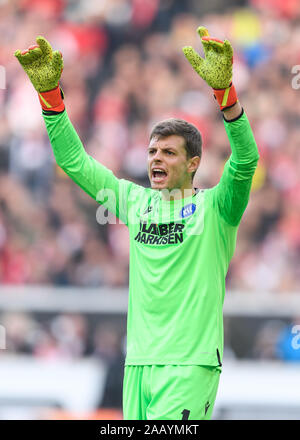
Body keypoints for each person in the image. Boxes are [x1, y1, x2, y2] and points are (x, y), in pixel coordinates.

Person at [14, 26, 259, 420]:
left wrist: (226, 97)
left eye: (168, 152)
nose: (156, 159)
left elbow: (246, 160)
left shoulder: (218, 208)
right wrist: (50, 99)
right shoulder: (133, 201)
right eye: (151, 151)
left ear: (194, 163)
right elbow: (73, 161)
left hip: (189, 364)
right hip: (138, 363)